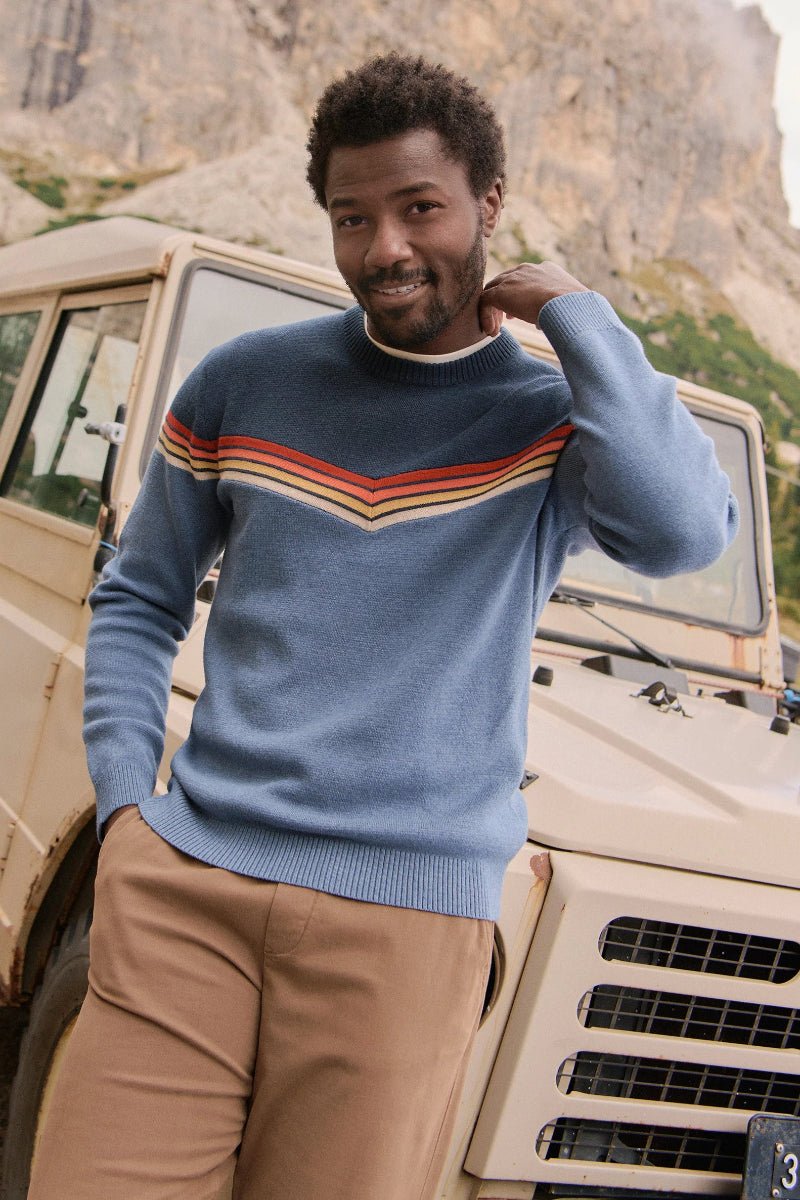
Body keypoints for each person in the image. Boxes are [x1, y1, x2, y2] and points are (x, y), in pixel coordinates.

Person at [28, 52, 737, 1200]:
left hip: (408, 929)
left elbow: (680, 534)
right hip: (186, 890)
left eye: (419, 208)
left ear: (487, 205)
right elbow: (139, 594)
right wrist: (123, 813)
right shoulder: (242, 382)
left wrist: (575, 314)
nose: (384, 250)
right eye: (351, 218)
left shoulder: (553, 419)